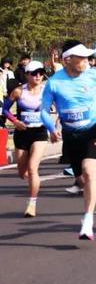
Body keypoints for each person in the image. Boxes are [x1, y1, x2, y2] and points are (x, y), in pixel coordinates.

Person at [40, 40, 96, 240]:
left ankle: (88, 221)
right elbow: (44, 110)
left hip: (94, 131)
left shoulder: (95, 75)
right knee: (82, 180)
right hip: (70, 134)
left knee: (89, 171)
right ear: (67, 60)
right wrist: (51, 129)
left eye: (87, 58)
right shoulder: (54, 82)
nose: (86, 61)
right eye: (81, 58)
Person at [3, 61, 48, 217]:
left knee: (33, 168)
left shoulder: (47, 91)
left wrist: (55, 127)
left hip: (40, 133)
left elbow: (60, 106)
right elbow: (5, 109)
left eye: (41, 73)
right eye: (34, 73)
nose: (38, 76)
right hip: (22, 133)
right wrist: (15, 121)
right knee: (22, 172)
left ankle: (31, 204)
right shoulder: (18, 91)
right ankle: (33, 182)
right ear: (27, 75)